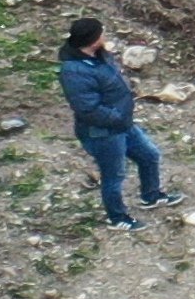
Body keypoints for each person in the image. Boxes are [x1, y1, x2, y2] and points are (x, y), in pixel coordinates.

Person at [59, 17, 162, 230]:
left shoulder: (100, 55)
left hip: (122, 124)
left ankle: (151, 196)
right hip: (103, 132)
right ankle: (117, 218)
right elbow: (87, 109)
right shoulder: (74, 71)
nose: (105, 36)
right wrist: (116, 117)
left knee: (150, 155)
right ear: (93, 39)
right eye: (101, 33)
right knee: (114, 176)